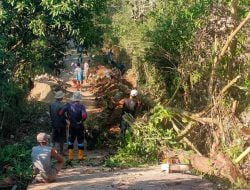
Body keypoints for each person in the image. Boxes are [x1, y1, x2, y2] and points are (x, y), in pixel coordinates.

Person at [59, 91, 87, 161]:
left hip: (71, 126)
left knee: (71, 140)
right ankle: (80, 157)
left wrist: (66, 119)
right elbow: (84, 115)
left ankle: (70, 157)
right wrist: (82, 121)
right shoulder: (82, 106)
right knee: (80, 141)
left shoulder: (68, 105)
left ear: (73, 98)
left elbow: (60, 113)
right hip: (80, 126)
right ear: (79, 99)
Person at [49, 91, 66, 155]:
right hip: (61, 124)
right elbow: (62, 116)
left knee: (54, 138)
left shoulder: (51, 104)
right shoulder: (62, 106)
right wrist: (66, 122)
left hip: (54, 123)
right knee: (61, 137)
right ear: (61, 98)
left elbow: (50, 114)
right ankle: (61, 151)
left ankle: (53, 151)